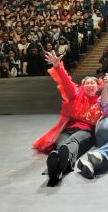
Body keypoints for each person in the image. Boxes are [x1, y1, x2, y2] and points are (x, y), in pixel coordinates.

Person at [33, 51, 102, 183]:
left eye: (92, 83)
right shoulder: (74, 97)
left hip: (86, 131)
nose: (89, 85)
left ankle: (57, 166)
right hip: (69, 129)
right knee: (61, 144)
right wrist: (57, 67)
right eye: (87, 83)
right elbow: (66, 83)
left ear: (97, 87)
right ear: (82, 86)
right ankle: (59, 168)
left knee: (72, 142)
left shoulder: (101, 102)